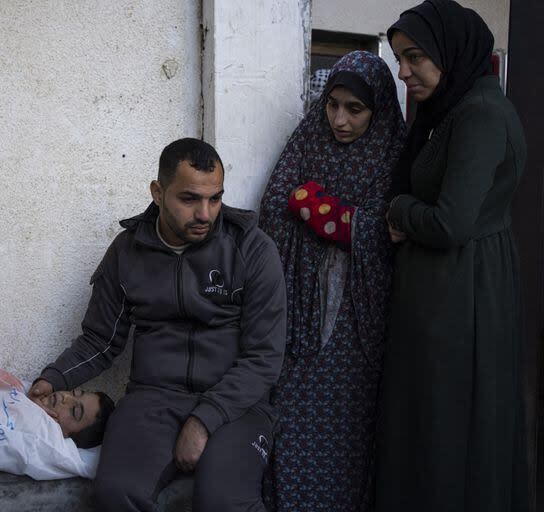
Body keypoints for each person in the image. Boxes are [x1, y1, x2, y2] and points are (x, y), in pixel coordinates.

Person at [28, 138, 287, 511]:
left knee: (224, 501)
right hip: (152, 400)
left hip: (236, 405)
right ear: (158, 192)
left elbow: (264, 358)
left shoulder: (252, 249)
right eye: (189, 199)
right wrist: (51, 379)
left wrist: (203, 420)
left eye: (215, 198)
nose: (205, 213)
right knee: (116, 494)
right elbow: (101, 339)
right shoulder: (127, 251)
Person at [376, 1, 528, 511]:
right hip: (446, 292)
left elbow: (452, 222)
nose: (403, 72)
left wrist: (400, 208)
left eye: (414, 57)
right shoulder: (454, 110)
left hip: (462, 298)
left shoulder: (480, 115)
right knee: (431, 429)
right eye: (399, 58)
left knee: (450, 433)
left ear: (450, 51)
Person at [258, 51, 406, 511]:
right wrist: (331, 216)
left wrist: (314, 207)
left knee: (352, 434)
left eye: (354, 109)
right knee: (295, 426)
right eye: (332, 104)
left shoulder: (394, 153)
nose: (339, 119)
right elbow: (275, 209)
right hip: (300, 324)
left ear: (378, 109)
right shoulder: (308, 138)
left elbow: (385, 230)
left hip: (360, 330)